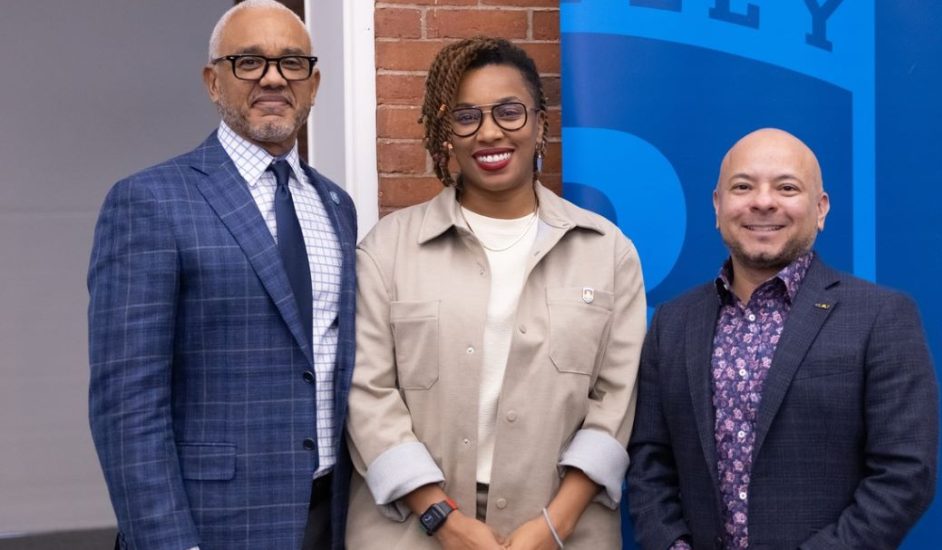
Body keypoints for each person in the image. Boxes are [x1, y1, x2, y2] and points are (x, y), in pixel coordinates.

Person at [345, 37, 647, 549]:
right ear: (447, 133)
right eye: (466, 117)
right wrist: (443, 518)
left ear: (540, 122)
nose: (489, 132)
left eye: (509, 112)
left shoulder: (607, 252)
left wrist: (555, 525)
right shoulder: (386, 252)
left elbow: (617, 401)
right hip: (411, 532)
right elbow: (367, 395)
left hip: (564, 532)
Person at [87, 1, 356, 548]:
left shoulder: (336, 204)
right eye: (248, 62)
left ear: (315, 82)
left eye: (292, 63)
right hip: (210, 525)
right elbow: (126, 407)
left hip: (332, 516)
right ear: (214, 82)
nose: (273, 78)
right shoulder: (150, 201)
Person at [627, 128, 938, 550]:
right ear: (718, 206)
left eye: (787, 187)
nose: (763, 201)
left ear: (821, 208)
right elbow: (650, 460)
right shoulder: (674, 322)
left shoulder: (881, 316)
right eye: (743, 186)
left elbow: (905, 475)